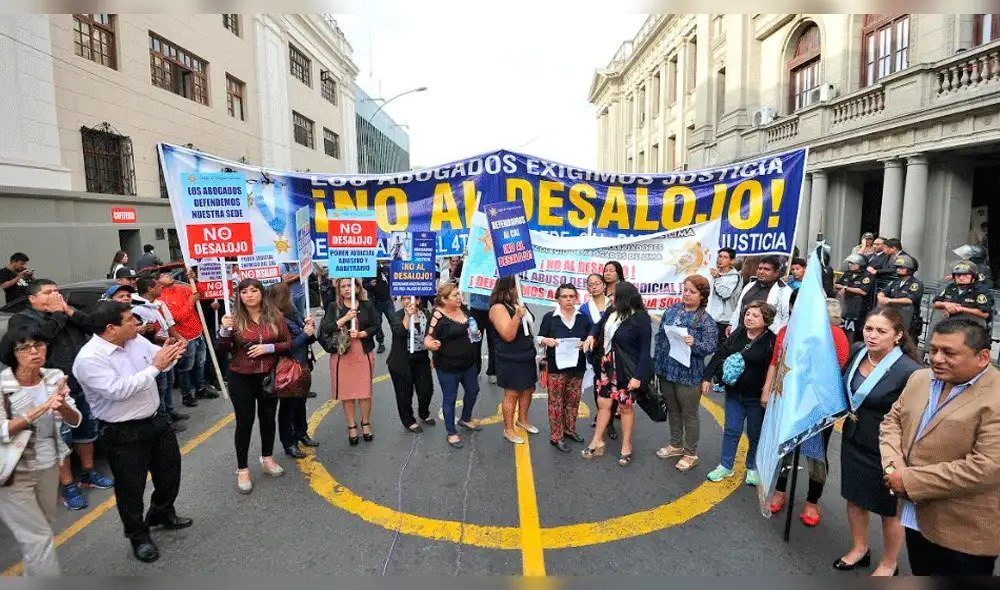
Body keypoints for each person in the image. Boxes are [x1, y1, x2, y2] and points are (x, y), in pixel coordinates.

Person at [72, 300, 191, 563]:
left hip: (155, 420)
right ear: (111, 328)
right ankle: (138, 536)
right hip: (122, 431)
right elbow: (118, 390)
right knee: (131, 489)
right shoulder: (89, 359)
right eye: (129, 320)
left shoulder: (136, 341)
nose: (136, 324)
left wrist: (172, 353)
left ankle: (161, 512)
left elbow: (159, 361)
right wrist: (157, 367)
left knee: (170, 473)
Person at [879, 318, 1000, 576]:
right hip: (916, 519)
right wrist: (893, 468)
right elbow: (892, 422)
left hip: (964, 534)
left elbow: (987, 467)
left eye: (949, 352)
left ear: (983, 357)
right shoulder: (920, 379)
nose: (936, 358)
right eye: (933, 349)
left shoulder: (996, 396)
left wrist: (908, 481)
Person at [8, 280, 111, 511]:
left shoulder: (64, 312)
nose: (55, 295)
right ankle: (68, 485)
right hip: (50, 390)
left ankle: (88, 472)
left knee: (86, 431)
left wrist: (68, 311)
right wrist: (58, 314)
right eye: (48, 292)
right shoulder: (23, 319)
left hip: (79, 383)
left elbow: (93, 326)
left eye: (57, 291)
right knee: (59, 439)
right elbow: (42, 337)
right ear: (33, 298)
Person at [834, 307, 922, 576]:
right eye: (869, 329)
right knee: (855, 499)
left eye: (881, 331)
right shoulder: (859, 350)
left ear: (897, 336)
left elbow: (914, 416)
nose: (872, 336)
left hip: (887, 449)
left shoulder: (910, 371)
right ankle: (859, 548)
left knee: (889, 510)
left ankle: (889, 562)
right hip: (853, 439)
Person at [0, 325, 82, 576]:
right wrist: (42, 408)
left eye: (39, 345)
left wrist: (61, 407)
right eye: (24, 347)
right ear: (12, 353)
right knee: (38, 538)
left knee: (41, 530)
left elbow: (75, 419)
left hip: (49, 462)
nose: (34, 352)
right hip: (13, 469)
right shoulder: (3, 385)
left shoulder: (54, 376)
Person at [765, 296, 851, 526]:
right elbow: (776, 362)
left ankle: (812, 500)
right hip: (788, 401)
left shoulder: (834, 334)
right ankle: (780, 490)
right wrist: (768, 391)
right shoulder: (786, 331)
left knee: (816, 454)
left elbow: (837, 369)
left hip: (818, 406)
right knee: (786, 449)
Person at [217, 279, 292, 493]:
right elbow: (221, 349)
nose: (249, 295)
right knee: (244, 422)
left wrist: (268, 347)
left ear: (261, 293)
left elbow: (287, 342)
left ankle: (267, 458)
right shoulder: (232, 319)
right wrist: (224, 330)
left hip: (268, 376)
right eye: (244, 292)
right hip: (241, 377)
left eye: (253, 290)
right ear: (239, 296)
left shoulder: (274, 316)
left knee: (268, 418)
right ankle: (242, 469)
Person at [703, 301, 777, 486]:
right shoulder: (738, 335)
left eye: (755, 315)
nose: (749, 318)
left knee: (755, 433)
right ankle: (725, 466)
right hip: (734, 394)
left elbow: (774, 369)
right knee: (731, 430)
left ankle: (751, 467)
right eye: (747, 314)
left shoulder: (771, 341)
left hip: (757, 399)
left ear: (766, 320)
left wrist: (768, 393)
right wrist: (706, 377)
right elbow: (720, 355)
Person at [582, 281, 652, 466]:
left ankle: (626, 446)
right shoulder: (612, 311)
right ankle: (597, 440)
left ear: (625, 298)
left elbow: (645, 351)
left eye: (614, 295)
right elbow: (598, 326)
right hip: (607, 366)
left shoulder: (641, 318)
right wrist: (591, 335)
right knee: (603, 403)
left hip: (627, 370)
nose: (610, 298)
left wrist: (638, 377)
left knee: (625, 407)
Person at [653, 275, 717, 471]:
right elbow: (660, 336)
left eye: (692, 292)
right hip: (667, 369)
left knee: (689, 413)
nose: (687, 294)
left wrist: (694, 343)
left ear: (702, 295)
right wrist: (657, 364)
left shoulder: (706, 320)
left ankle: (690, 453)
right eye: (685, 290)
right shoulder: (673, 310)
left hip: (688, 373)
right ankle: (675, 444)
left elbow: (712, 346)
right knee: (673, 409)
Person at [319, 278, 379, 446]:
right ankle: (351, 426)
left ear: (357, 287)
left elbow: (376, 325)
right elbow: (326, 328)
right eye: (343, 286)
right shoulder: (333, 306)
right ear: (339, 289)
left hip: (362, 352)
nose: (346, 289)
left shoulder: (367, 305)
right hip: (342, 354)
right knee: (347, 394)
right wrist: (345, 318)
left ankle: (365, 423)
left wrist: (362, 334)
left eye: (349, 285)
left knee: (364, 392)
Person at [424, 282, 481, 449]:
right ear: (443, 299)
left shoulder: (462, 308)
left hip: (468, 363)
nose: (459, 297)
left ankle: (465, 418)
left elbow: (471, 326)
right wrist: (431, 345)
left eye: (458, 294)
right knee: (450, 398)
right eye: (455, 295)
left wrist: (475, 332)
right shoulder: (437, 315)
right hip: (448, 366)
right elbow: (428, 337)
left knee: (473, 390)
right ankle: (451, 432)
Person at [537, 284, 592, 452]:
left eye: (571, 296)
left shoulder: (582, 318)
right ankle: (556, 436)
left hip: (577, 366)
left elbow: (590, 338)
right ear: (558, 299)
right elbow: (539, 337)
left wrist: (586, 343)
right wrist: (546, 341)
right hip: (556, 367)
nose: (568, 300)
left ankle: (570, 429)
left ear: (576, 298)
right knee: (556, 402)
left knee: (573, 400)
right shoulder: (550, 317)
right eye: (564, 296)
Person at [266, 282, 317, 459]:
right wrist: (305, 334)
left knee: (301, 403)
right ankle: (289, 442)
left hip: (302, 363)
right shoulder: (275, 319)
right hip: (288, 367)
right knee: (288, 407)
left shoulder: (292, 312)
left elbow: (308, 338)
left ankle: (301, 433)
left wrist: (309, 327)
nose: (291, 296)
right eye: (287, 294)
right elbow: (283, 347)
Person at [131, 276, 188, 431]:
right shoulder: (139, 310)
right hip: (155, 354)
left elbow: (164, 326)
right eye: (157, 285)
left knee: (168, 384)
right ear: (149, 289)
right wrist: (169, 339)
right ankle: (165, 422)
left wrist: (175, 339)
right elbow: (149, 335)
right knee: (161, 388)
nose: (161, 288)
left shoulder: (153, 306)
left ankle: (170, 411)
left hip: (165, 349)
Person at [158, 270, 219, 408]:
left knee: (200, 363)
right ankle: (186, 395)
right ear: (158, 283)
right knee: (186, 367)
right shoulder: (161, 299)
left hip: (197, 332)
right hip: (184, 336)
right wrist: (190, 302)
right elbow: (178, 317)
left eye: (166, 274)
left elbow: (201, 293)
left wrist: (195, 280)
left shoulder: (181, 288)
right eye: (162, 275)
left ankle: (200, 389)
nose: (167, 275)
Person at [489, 276, 538, 445]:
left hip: (526, 354)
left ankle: (522, 420)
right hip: (510, 357)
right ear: (509, 288)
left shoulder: (519, 303)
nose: (522, 287)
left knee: (528, 389)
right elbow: (508, 335)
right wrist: (517, 317)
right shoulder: (498, 308)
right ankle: (508, 429)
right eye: (518, 285)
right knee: (512, 393)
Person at [388, 296, 435, 433]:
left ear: (419, 300)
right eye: (403, 299)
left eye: (410, 298)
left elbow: (432, 335)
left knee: (426, 389)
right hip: (401, 359)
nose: (407, 301)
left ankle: (424, 412)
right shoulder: (397, 315)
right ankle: (408, 420)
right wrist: (408, 316)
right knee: (404, 393)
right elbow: (399, 332)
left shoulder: (426, 313)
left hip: (421, 357)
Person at [729, 255, 792, 335]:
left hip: (766, 338)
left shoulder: (785, 291)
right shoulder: (749, 286)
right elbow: (739, 308)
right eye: (760, 268)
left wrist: (777, 335)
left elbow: (786, 318)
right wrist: (732, 324)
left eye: (767, 269)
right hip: (741, 333)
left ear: (776, 273)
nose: (761, 272)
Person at [579, 273, 611, 431]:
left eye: (597, 283)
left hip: (614, 352)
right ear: (587, 288)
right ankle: (600, 415)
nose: (594, 287)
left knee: (615, 385)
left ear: (604, 285)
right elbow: (583, 330)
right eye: (590, 284)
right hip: (595, 353)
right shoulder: (584, 308)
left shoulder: (614, 304)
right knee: (598, 384)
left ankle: (610, 422)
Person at [931, 261, 993, 326]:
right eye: (958, 275)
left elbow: (985, 314)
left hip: (973, 328)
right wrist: (946, 304)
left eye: (965, 275)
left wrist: (960, 309)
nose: (961, 278)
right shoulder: (951, 287)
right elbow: (935, 303)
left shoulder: (981, 290)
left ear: (973, 277)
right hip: (951, 326)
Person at [876, 254, 924, 333]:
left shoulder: (916, 284)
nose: (898, 269)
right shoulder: (895, 282)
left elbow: (909, 300)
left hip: (908, 318)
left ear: (910, 270)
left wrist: (889, 300)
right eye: (897, 267)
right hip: (893, 316)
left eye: (901, 268)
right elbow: (883, 292)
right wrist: (880, 297)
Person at [707, 248, 743, 349]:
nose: (721, 259)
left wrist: (718, 279)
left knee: (718, 353)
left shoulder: (734, 277)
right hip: (710, 318)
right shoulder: (713, 272)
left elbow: (725, 294)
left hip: (723, 321)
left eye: (725, 257)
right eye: (720, 256)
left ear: (732, 261)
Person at [836, 253, 873, 342]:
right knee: (844, 329)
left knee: (854, 332)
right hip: (846, 306)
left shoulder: (867, 276)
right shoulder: (847, 273)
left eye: (853, 263)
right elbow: (836, 284)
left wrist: (845, 288)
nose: (850, 265)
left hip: (859, 308)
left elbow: (862, 291)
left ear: (860, 264)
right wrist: (847, 289)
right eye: (849, 263)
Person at [363, 261, 394, 354]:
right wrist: (370, 285)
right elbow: (364, 284)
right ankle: (381, 343)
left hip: (387, 300)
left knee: (393, 321)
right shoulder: (367, 271)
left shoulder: (386, 269)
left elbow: (392, 281)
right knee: (377, 324)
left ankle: (397, 341)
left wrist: (394, 293)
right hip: (375, 302)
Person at [468, 291, 496, 382]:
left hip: (493, 308)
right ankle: (475, 370)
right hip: (476, 308)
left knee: (493, 342)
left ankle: (492, 371)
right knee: (475, 342)